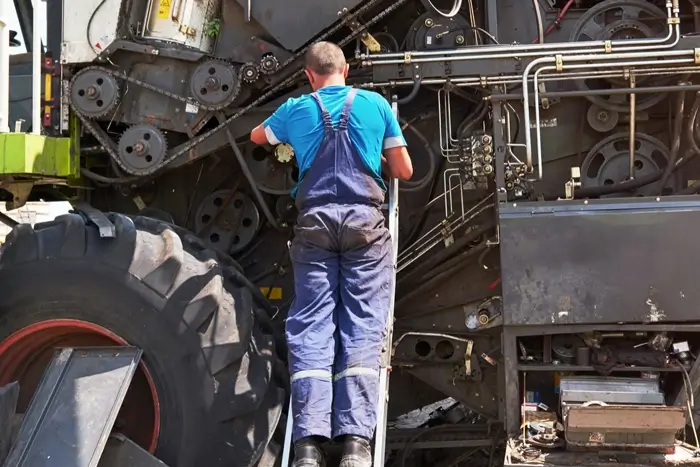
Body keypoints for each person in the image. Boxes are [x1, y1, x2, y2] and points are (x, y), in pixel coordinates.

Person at [250, 41, 413, 467]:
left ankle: (306, 445)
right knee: (362, 324)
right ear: (347, 68)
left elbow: (257, 137)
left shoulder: (296, 108)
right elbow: (404, 171)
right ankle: (357, 443)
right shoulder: (376, 105)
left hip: (315, 225)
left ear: (308, 75)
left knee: (312, 328)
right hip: (365, 227)